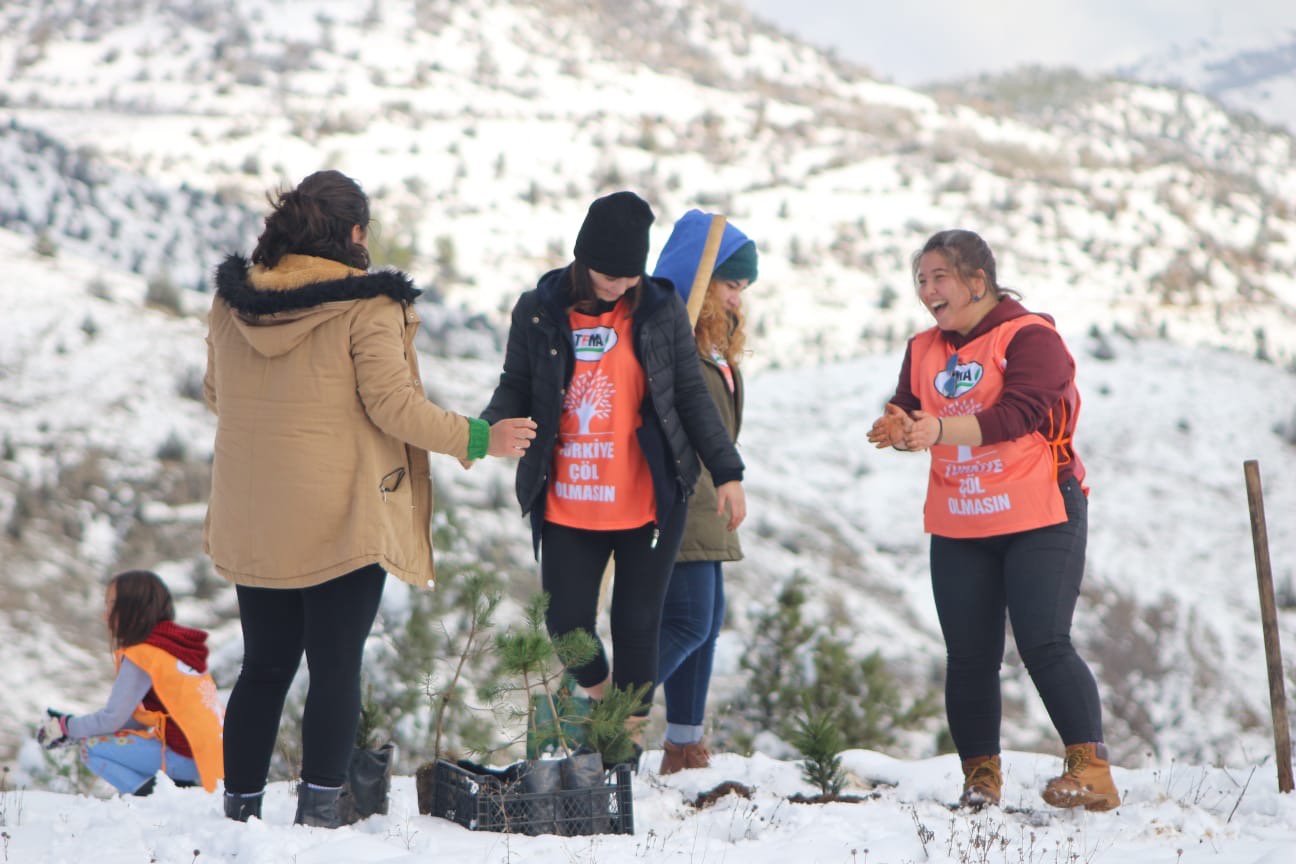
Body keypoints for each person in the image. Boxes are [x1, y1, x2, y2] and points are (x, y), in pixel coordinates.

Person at [204, 170, 536, 827]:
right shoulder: (367, 305)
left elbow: (217, 394)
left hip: (252, 515)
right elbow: (393, 407)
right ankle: (320, 812)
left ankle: (238, 814)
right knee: (334, 668)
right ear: (354, 233)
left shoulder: (234, 301)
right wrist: (479, 436)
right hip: (339, 517)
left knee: (263, 668)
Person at [480, 191, 747, 762]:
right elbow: (515, 384)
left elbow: (692, 397)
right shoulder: (539, 308)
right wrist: (485, 430)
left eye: (629, 276)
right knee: (567, 626)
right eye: (606, 274)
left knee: (638, 627)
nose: (616, 286)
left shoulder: (658, 307)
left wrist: (727, 472)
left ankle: (619, 752)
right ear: (582, 257)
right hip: (569, 499)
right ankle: (600, 704)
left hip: (646, 501)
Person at [866, 228, 1120, 812]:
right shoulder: (924, 347)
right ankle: (980, 780)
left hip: (1040, 512)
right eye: (921, 280)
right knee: (970, 655)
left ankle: (1092, 770)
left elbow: (1020, 414)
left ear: (978, 282)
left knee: (1044, 641)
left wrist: (933, 429)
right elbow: (911, 408)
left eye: (940, 277)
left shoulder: (1032, 337)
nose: (928, 290)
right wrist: (901, 429)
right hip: (960, 516)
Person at [648, 210, 756, 773]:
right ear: (699, 282)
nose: (738, 300)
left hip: (708, 501)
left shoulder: (711, 345)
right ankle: (599, 712)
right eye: (730, 285)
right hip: (678, 499)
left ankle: (684, 744)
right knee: (688, 621)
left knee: (706, 623)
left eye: (742, 288)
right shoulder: (670, 341)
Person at [35, 570, 224, 796]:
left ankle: (154, 797)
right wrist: (76, 730)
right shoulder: (171, 649)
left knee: (91, 749)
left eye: (112, 604)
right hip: (216, 753)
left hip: (188, 756)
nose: (106, 616)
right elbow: (133, 720)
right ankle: (177, 791)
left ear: (133, 608)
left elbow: (112, 719)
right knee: (104, 738)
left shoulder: (143, 655)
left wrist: (66, 727)